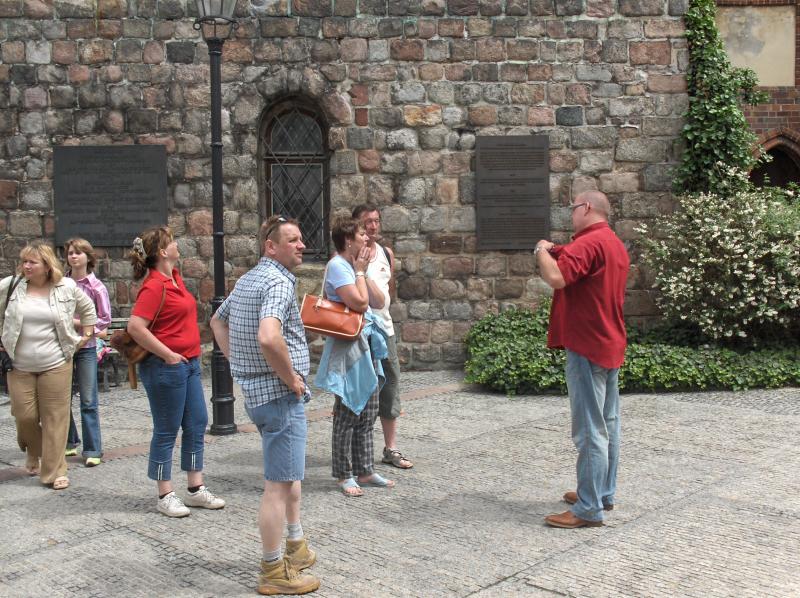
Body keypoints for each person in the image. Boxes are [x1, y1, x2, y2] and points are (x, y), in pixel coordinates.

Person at [210, 215, 319, 595]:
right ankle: (273, 570)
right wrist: (291, 379)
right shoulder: (276, 282)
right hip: (279, 397)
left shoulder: (249, 279)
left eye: (301, 239)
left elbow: (217, 322)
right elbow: (269, 337)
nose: (301, 245)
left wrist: (239, 366)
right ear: (270, 246)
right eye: (292, 240)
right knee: (277, 486)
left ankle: (295, 544)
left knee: (289, 477)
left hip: (260, 396)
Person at [535, 191, 630, 529]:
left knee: (590, 430)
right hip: (608, 342)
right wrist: (557, 249)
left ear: (586, 208)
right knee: (608, 423)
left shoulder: (589, 243)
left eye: (573, 208)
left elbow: (556, 277)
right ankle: (602, 493)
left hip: (587, 345)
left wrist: (540, 250)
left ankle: (588, 508)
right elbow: (577, 261)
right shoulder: (612, 242)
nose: (570, 213)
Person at [127, 226, 225, 518]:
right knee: (167, 429)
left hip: (188, 364)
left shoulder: (175, 278)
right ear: (162, 252)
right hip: (164, 367)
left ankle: (195, 488)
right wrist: (168, 354)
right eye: (172, 242)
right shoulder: (154, 286)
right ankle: (165, 494)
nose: (177, 245)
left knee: (197, 422)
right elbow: (136, 327)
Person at [0, 241, 97, 490]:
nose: (26, 266)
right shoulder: (11, 286)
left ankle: (55, 471)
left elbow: (88, 308)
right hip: (19, 365)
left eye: (32, 262)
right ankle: (34, 449)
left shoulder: (65, 286)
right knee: (24, 416)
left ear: (46, 265)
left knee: (55, 418)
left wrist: (86, 335)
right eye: (24, 261)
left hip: (56, 362)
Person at [314, 216, 392, 498]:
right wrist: (359, 272)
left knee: (369, 409)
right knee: (348, 411)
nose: (366, 237)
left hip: (366, 342)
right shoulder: (338, 266)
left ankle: (365, 469)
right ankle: (343, 473)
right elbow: (359, 303)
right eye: (361, 234)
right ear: (348, 240)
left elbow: (378, 301)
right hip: (348, 348)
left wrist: (363, 272)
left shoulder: (355, 267)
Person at [352, 204, 413, 470]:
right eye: (367, 221)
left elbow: (389, 290)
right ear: (356, 224)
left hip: (384, 330)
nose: (373, 226)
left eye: (376, 220)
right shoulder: (349, 254)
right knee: (358, 390)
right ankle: (355, 449)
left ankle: (391, 447)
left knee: (390, 386)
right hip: (359, 331)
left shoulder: (386, 253)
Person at [63, 238, 111, 467]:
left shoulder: (96, 287)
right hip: (62, 346)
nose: (73, 256)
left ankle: (92, 449)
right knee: (60, 397)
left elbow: (104, 321)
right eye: (70, 253)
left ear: (88, 258)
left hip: (86, 348)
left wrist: (74, 322)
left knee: (88, 399)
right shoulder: (60, 283)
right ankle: (69, 441)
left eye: (78, 253)